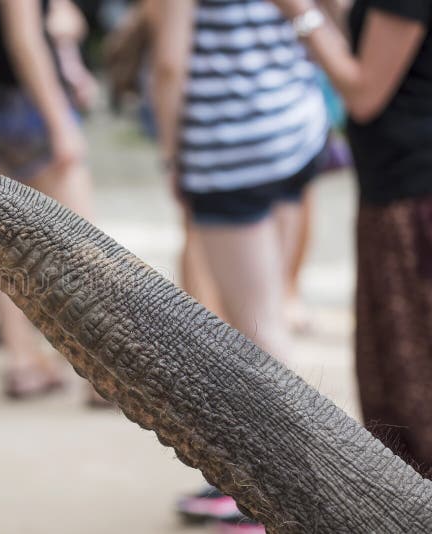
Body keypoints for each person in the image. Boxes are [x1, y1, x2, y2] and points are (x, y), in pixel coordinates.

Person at [147, 0, 329, 529]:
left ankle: (275, 493)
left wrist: (171, 158)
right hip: (293, 131)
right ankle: (252, 480)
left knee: (257, 327)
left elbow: (168, 64)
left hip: (232, 151)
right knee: (265, 312)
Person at [267, 0, 432, 477]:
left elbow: (363, 93)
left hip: (412, 198)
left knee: (410, 383)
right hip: (396, 190)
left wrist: (299, 14)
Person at [0, 0, 98, 401]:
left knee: (4, 242)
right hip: (28, 105)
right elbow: (24, 39)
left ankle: (22, 361)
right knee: (80, 244)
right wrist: (60, 122)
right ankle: (100, 372)